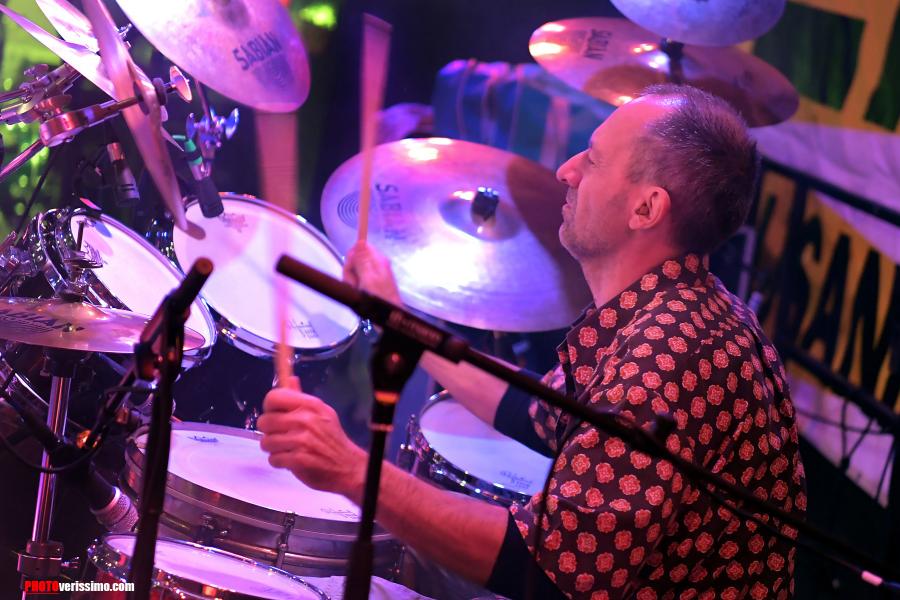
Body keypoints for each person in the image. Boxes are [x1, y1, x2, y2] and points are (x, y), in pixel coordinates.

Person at [257, 84, 807, 600]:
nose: (567, 171)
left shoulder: (669, 357)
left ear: (646, 209)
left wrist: (352, 470)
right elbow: (538, 412)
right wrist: (398, 321)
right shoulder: (683, 306)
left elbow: (548, 567)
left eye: (593, 160)